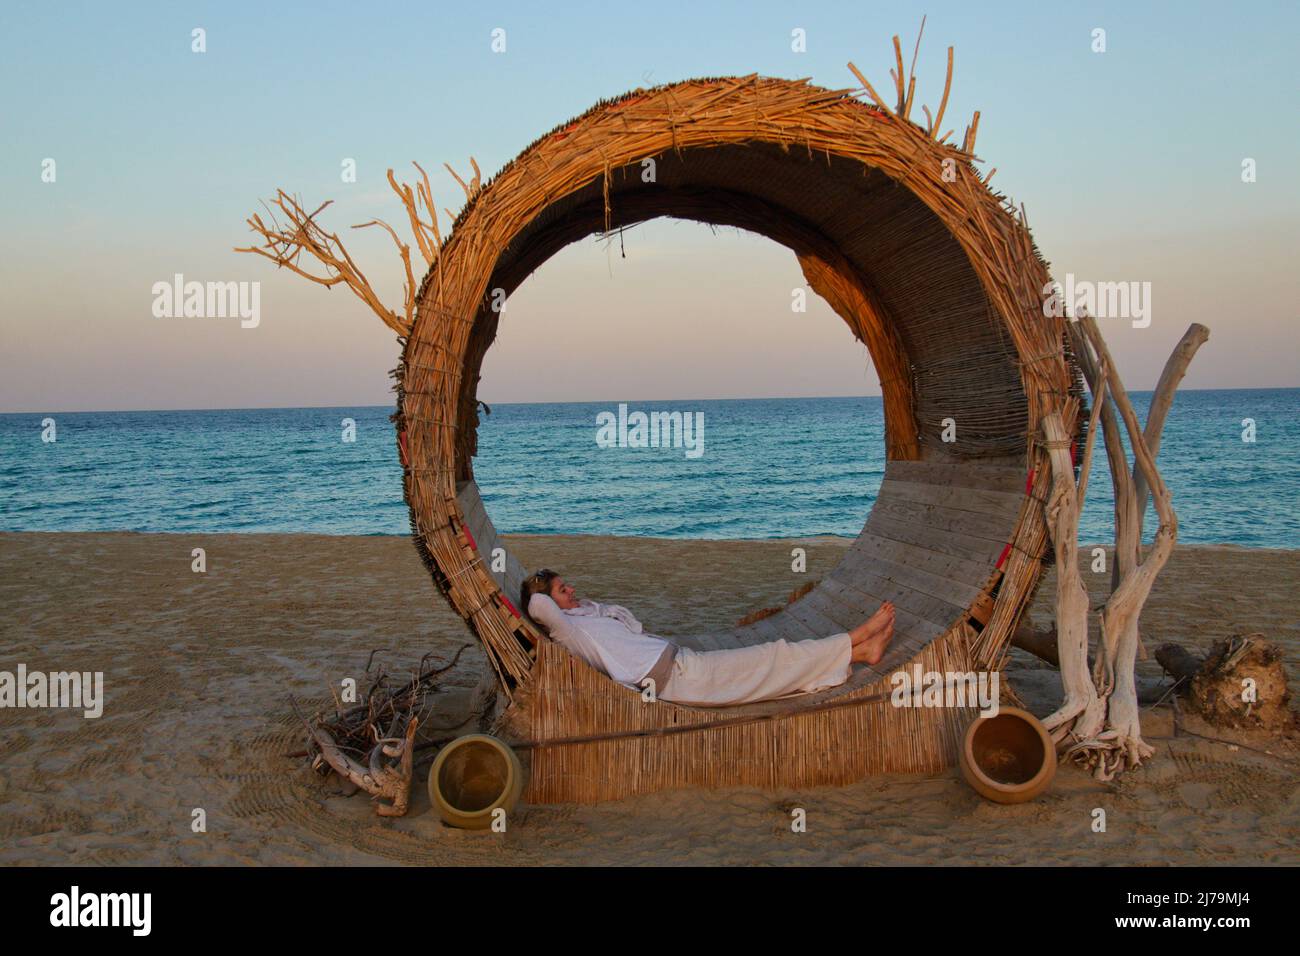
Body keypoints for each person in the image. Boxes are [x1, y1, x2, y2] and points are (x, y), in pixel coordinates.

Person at [520, 569, 895, 707]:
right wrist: (537, 587)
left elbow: (547, 600)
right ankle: (854, 640)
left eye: (565, 584)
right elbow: (536, 604)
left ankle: (860, 652)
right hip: (678, 677)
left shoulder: (585, 614)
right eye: (561, 589)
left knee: (771, 662)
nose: (571, 589)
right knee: (772, 657)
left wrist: (559, 594)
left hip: (681, 666)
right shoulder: (566, 630)